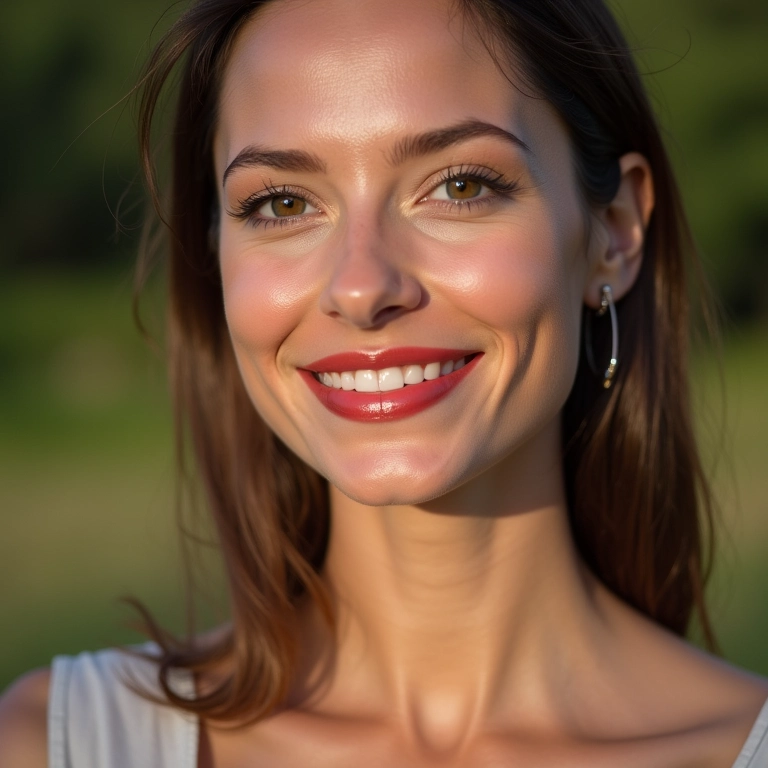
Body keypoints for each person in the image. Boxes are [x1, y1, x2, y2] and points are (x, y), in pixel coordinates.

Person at [1, 0, 767, 765]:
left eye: (459, 187)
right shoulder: (57, 744)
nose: (362, 287)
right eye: (283, 203)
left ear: (614, 233)